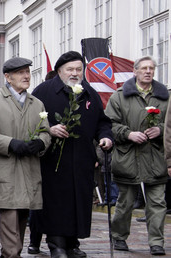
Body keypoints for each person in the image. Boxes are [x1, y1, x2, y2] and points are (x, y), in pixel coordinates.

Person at [32, 51, 113, 258]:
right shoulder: (44, 91)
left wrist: (105, 137)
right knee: (56, 202)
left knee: (78, 201)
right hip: (53, 160)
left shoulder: (89, 92)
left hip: (82, 160)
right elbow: (30, 120)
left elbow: (102, 121)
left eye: (79, 69)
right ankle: (56, 243)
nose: (75, 73)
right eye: (70, 69)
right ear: (59, 71)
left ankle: (72, 242)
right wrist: (49, 128)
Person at [0, 57, 51, 258]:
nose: (26, 76)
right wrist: (10, 143)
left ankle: (10, 253)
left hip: (29, 169)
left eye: (27, 71)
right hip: (5, 168)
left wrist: (41, 142)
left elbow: (46, 132)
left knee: (22, 216)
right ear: (7, 77)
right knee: (9, 215)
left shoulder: (37, 104)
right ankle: (11, 254)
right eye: (20, 72)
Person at [106, 56, 168, 256]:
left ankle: (156, 242)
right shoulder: (120, 96)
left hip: (155, 157)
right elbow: (109, 125)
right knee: (125, 203)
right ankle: (119, 236)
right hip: (127, 157)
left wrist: (159, 130)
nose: (148, 71)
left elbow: (170, 125)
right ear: (135, 71)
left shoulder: (164, 96)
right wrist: (128, 134)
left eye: (151, 68)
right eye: (144, 68)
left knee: (158, 203)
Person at [27, 69, 58, 255]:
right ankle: (35, 240)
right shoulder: (40, 96)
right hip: (41, 157)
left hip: (58, 157)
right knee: (38, 202)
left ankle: (46, 241)